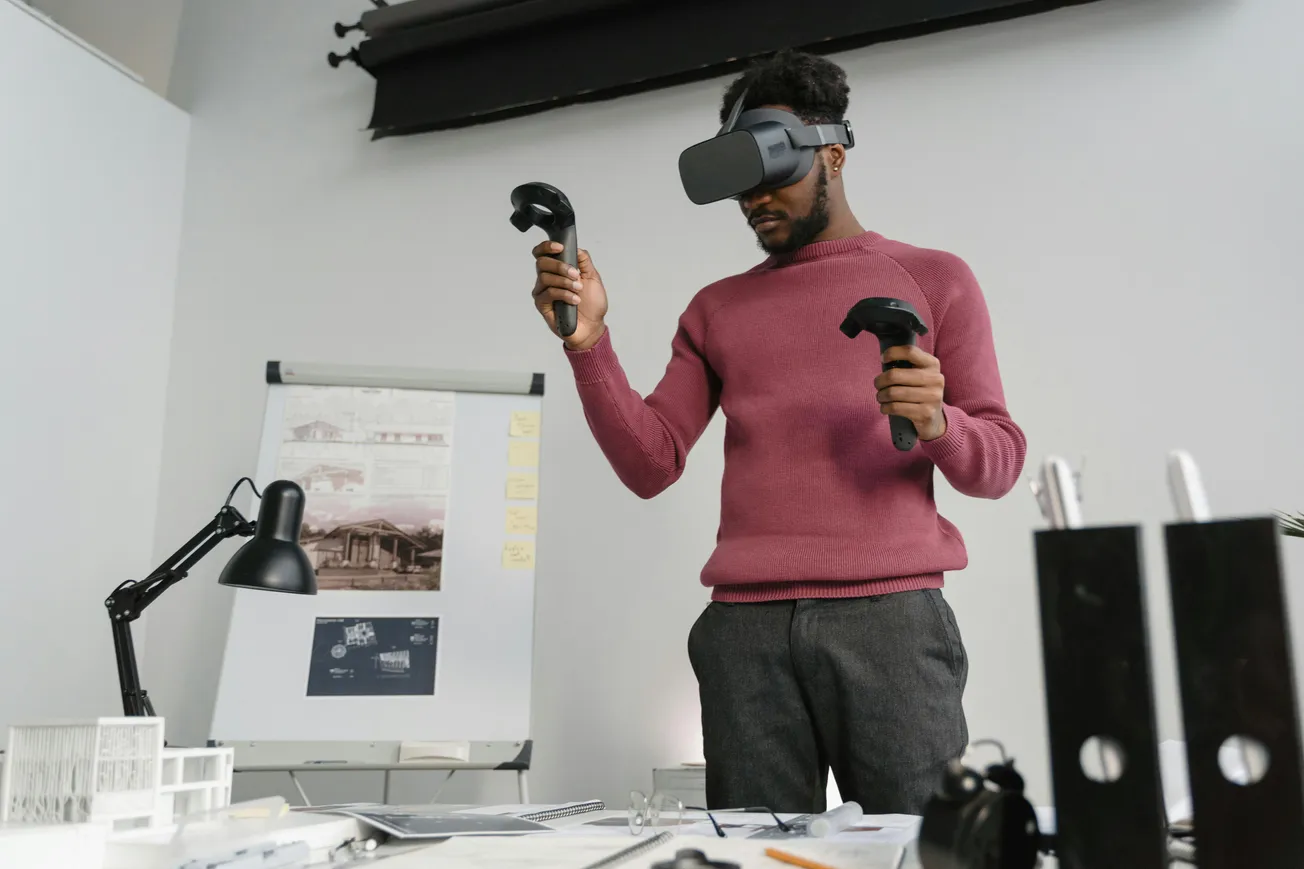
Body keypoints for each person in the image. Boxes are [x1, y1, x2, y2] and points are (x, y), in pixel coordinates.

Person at [528, 49, 1026, 815]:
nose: (755, 198)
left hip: (890, 624)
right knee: (758, 859)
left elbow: (996, 461)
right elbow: (650, 461)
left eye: (775, 171)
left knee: (923, 852)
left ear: (832, 151)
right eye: (741, 181)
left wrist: (937, 421)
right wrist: (588, 341)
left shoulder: (936, 278)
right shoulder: (717, 308)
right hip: (745, 633)